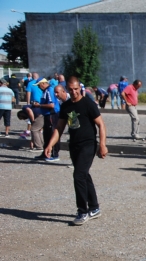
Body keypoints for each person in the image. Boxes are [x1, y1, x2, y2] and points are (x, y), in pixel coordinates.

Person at [44, 77, 108, 226]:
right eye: (71, 89)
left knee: (78, 175)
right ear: (67, 89)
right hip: (74, 145)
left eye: (76, 89)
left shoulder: (88, 104)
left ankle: (82, 211)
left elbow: (101, 124)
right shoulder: (65, 106)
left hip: (88, 144)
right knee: (84, 175)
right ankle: (94, 208)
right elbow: (59, 128)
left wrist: (103, 144)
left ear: (80, 88)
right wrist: (50, 145)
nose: (74, 92)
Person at [32, 78, 61, 162]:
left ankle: (55, 154)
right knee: (47, 134)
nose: (38, 87)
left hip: (52, 114)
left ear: (43, 84)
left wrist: (39, 105)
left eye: (39, 85)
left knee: (53, 134)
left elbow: (51, 105)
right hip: (47, 115)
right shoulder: (46, 91)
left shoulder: (49, 90)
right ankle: (45, 153)